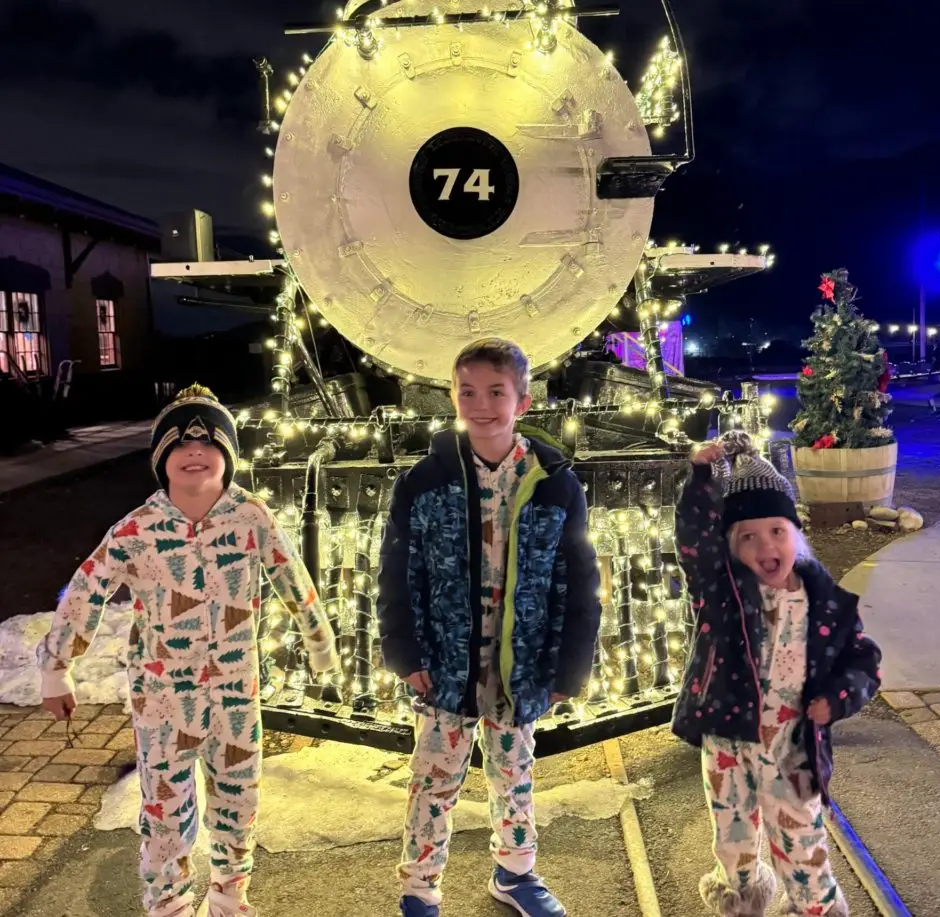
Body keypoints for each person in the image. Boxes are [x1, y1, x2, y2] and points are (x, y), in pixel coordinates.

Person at [37, 384, 339, 917]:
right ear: (161, 460)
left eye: (208, 441)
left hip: (234, 697)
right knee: (164, 812)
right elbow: (87, 589)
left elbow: (291, 576)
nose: (193, 451)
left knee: (237, 799)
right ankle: (168, 904)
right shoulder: (135, 529)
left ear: (227, 455)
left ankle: (228, 894)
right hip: (161, 704)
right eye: (178, 445)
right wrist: (57, 668)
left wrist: (319, 641)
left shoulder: (252, 518)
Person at [378, 338, 601, 917]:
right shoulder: (424, 483)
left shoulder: (554, 483)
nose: (482, 405)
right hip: (445, 665)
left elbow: (579, 581)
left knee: (515, 771)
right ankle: (420, 886)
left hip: (520, 665)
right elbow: (398, 573)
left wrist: (568, 667)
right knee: (433, 779)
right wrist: (404, 650)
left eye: (496, 392)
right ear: (453, 396)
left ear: (522, 402)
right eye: (468, 392)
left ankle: (516, 873)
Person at [672, 431, 881, 917]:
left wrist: (838, 697)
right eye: (748, 536)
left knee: (804, 847)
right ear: (730, 546)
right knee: (734, 840)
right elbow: (693, 539)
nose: (765, 545)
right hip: (728, 746)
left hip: (793, 753)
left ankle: (816, 909)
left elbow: (863, 661)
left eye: (777, 532)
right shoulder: (720, 594)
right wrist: (702, 479)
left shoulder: (827, 604)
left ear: (795, 535)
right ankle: (743, 897)